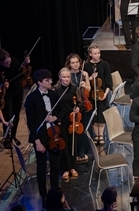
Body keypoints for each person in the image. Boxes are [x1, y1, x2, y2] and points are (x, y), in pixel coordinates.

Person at [24, 69, 62, 201]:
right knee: (41, 166)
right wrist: (37, 141)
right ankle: (43, 195)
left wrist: (55, 117)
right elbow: (31, 122)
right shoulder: (31, 98)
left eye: (50, 79)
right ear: (39, 82)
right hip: (41, 136)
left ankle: (55, 193)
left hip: (54, 134)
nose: (51, 81)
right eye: (47, 80)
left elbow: (61, 109)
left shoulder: (53, 95)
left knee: (55, 164)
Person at [53, 68, 82, 181]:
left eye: (68, 77)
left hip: (73, 120)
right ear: (60, 78)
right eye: (64, 77)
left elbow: (80, 102)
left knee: (73, 144)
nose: (66, 79)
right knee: (64, 145)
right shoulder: (56, 90)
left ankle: (73, 167)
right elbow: (53, 106)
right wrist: (57, 118)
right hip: (61, 120)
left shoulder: (75, 89)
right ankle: (66, 168)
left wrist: (78, 107)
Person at [63, 54, 90, 163]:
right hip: (71, 105)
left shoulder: (84, 74)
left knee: (82, 130)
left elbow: (89, 88)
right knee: (74, 130)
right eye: (73, 62)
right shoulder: (67, 74)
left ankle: (82, 152)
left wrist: (84, 85)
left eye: (77, 62)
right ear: (69, 64)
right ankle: (75, 153)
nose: (75, 64)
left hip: (83, 104)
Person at [84, 45, 113, 145]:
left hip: (102, 94)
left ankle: (101, 135)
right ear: (90, 54)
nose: (97, 55)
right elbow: (84, 82)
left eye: (98, 53)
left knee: (101, 114)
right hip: (90, 95)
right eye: (95, 53)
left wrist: (105, 93)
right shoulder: (86, 66)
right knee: (93, 115)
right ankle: (96, 135)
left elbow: (108, 81)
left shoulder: (104, 64)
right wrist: (91, 77)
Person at [0, 49, 24, 145]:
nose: (8, 64)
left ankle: (13, 136)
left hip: (18, 90)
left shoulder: (14, 60)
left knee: (16, 115)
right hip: (8, 93)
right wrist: (3, 84)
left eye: (9, 62)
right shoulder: (0, 69)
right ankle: (6, 138)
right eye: (6, 63)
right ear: (1, 62)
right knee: (8, 115)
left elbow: (22, 70)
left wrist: (26, 63)